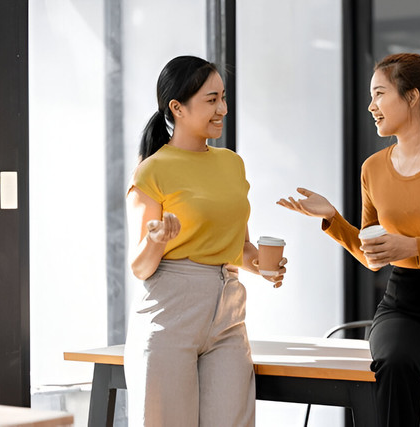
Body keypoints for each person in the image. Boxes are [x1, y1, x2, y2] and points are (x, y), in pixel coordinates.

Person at [278, 52, 420, 426]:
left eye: (379, 94)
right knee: (395, 362)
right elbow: (374, 256)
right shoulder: (373, 168)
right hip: (404, 302)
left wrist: (412, 247)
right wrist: (333, 220)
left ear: (412, 96)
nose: (371, 106)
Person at [124, 55, 287, 427]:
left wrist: (262, 265)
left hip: (229, 309)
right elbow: (141, 266)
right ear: (177, 108)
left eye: (223, 98)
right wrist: (156, 240)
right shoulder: (152, 171)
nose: (223, 109)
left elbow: (240, 248)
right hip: (170, 310)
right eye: (211, 100)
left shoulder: (232, 163)